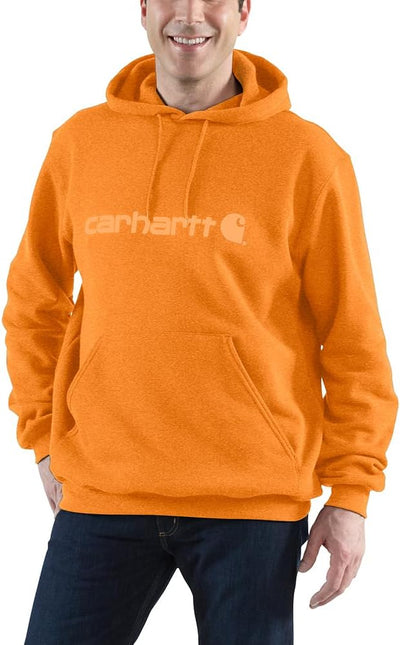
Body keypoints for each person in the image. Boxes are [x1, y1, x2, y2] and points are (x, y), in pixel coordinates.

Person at [2, 1, 398, 643]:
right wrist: (44, 436)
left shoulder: (309, 157)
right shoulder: (81, 143)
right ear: (142, 8)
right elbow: (33, 300)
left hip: (253, 502)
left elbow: (353, 338)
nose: (190, 14)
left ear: (243, 11)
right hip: (105, 488)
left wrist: (351, 494)